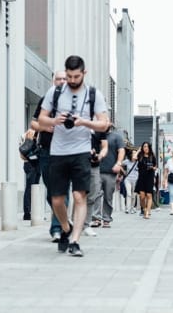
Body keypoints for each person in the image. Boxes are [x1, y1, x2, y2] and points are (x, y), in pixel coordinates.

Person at [38, 55, 109, 256]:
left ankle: (75, 241)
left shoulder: (94, 94)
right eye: (69, 76)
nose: (71, 80)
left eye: (76, 76)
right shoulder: (55, 92)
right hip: (58, 152)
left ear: (84, 73)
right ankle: (65, 228)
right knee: (57, 200)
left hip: (81, 151)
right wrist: (54, 121)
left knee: (80, 196)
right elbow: (40, 121)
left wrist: (84, 122)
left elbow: (104, 124)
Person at [31, 71, 67, 242]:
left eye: (64, 79)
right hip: (46, 151)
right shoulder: (47, 99)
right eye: (58, 79)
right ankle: (62, 218)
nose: (61, 81)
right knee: (51, 192)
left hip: (66, 152)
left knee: (62, 190)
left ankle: (57, 228)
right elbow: (33, 123)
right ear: (54, 81)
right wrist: (46, 127)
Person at [95, 127, 125, 227]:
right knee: (96, 195)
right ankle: (96, 218)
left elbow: (121, 151)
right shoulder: (95, 135)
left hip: (110, 171)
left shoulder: (116, 137)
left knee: (108, 197)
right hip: (96, 170)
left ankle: (106, 218)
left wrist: (119, 163)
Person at [83, 131, 108, 236]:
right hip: (77, 162)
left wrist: (100, 156)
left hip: (94, 165)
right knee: (78, 194)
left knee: (92, 195)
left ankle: (86, 224)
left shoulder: (99, 127)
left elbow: (105, 146)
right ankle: (73, 222)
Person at [21, 129, 41, 221]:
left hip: (29, 163)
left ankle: (32, 213)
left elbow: (22, 154)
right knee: (31, 188)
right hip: (32, 164)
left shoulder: (25, 134)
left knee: (33, 188)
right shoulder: (31, 134)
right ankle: (28, 213)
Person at [134, 142, 157, 219]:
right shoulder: (140, 156)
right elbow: (134, 158)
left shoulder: (152, 156)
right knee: (142, 197)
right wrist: (138, 150)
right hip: (141, 177)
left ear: (149, 147)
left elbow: (155, 166)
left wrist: (153, 168)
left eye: (147, 146)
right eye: (144, 146)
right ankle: (144, 209)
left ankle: (147, 212)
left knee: (149, 195)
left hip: (150, 177)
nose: (146, 148)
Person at [122, 149, 139, 214]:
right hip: (128, 179)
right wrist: (123, 171)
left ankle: (132, 208)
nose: (135, 154)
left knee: (134, 195)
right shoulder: (127, 161)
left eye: (136, 153)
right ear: (131, 154)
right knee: (129, 194)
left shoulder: (138, 162)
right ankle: (127, 208)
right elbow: (120, 164)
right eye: (133, 153)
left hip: (135, 180)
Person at [163, 150, 173, 215]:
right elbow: (166, 171)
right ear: (172, 154)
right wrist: (164, 180)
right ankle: (172, 209)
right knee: (172, 194)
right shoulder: (169, 161)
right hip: (171, 178)